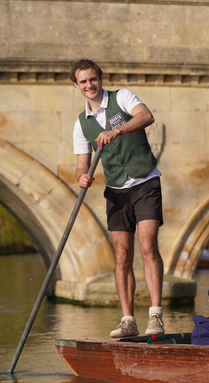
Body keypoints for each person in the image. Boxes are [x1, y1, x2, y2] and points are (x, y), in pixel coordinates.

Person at [71, 58, 165, 339]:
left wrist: (117, 130)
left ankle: (155, 316)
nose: (90, 85)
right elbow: (81, 163)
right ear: (76, 86)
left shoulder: (122, 97)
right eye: (83, 81)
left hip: (145, 181)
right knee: (122, 255)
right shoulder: (80, 124)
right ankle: (128, 320)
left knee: (147, 246)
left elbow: (146, 116)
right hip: (115, 190)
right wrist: (82, 177)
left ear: (100, 78)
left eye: (93, 79)